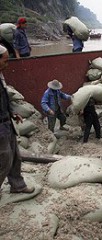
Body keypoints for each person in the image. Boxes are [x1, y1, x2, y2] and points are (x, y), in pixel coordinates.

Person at [0, 45, 35, 196]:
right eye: (5, 61)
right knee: (5, 159)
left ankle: (17, 186)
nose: (7, 64)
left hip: (7, 122)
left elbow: (4, 100)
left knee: (15, 157)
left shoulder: (1, 76)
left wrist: (13, 113)